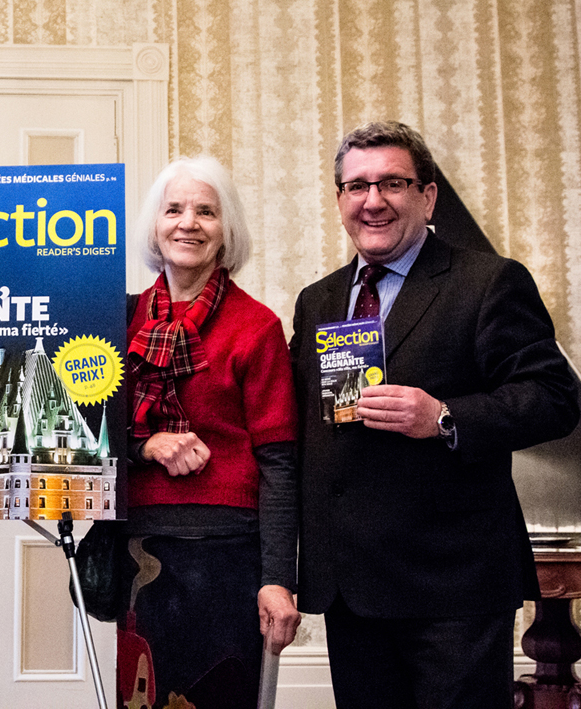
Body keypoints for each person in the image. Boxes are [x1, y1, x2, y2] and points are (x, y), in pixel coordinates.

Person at [291, 121, 580, 709]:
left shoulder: (488, 282)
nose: (372, 201)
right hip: (353, 589)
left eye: (392, 183)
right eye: (355, 187)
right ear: (340, 200)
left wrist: (445, 416)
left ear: (427, 196)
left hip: (453, 588)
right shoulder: (318, 299)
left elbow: (554, 397)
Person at [118, 155, 301, 709]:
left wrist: (277, 578)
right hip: (141, 553)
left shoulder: (258, 327)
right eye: (173, 209)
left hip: (230, 558)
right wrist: (145, 444)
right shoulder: (118, 321)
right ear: (155, 225)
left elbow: (280, 462)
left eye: (206, 211)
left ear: (227, 231)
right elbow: (87, 435)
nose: (188, 223)